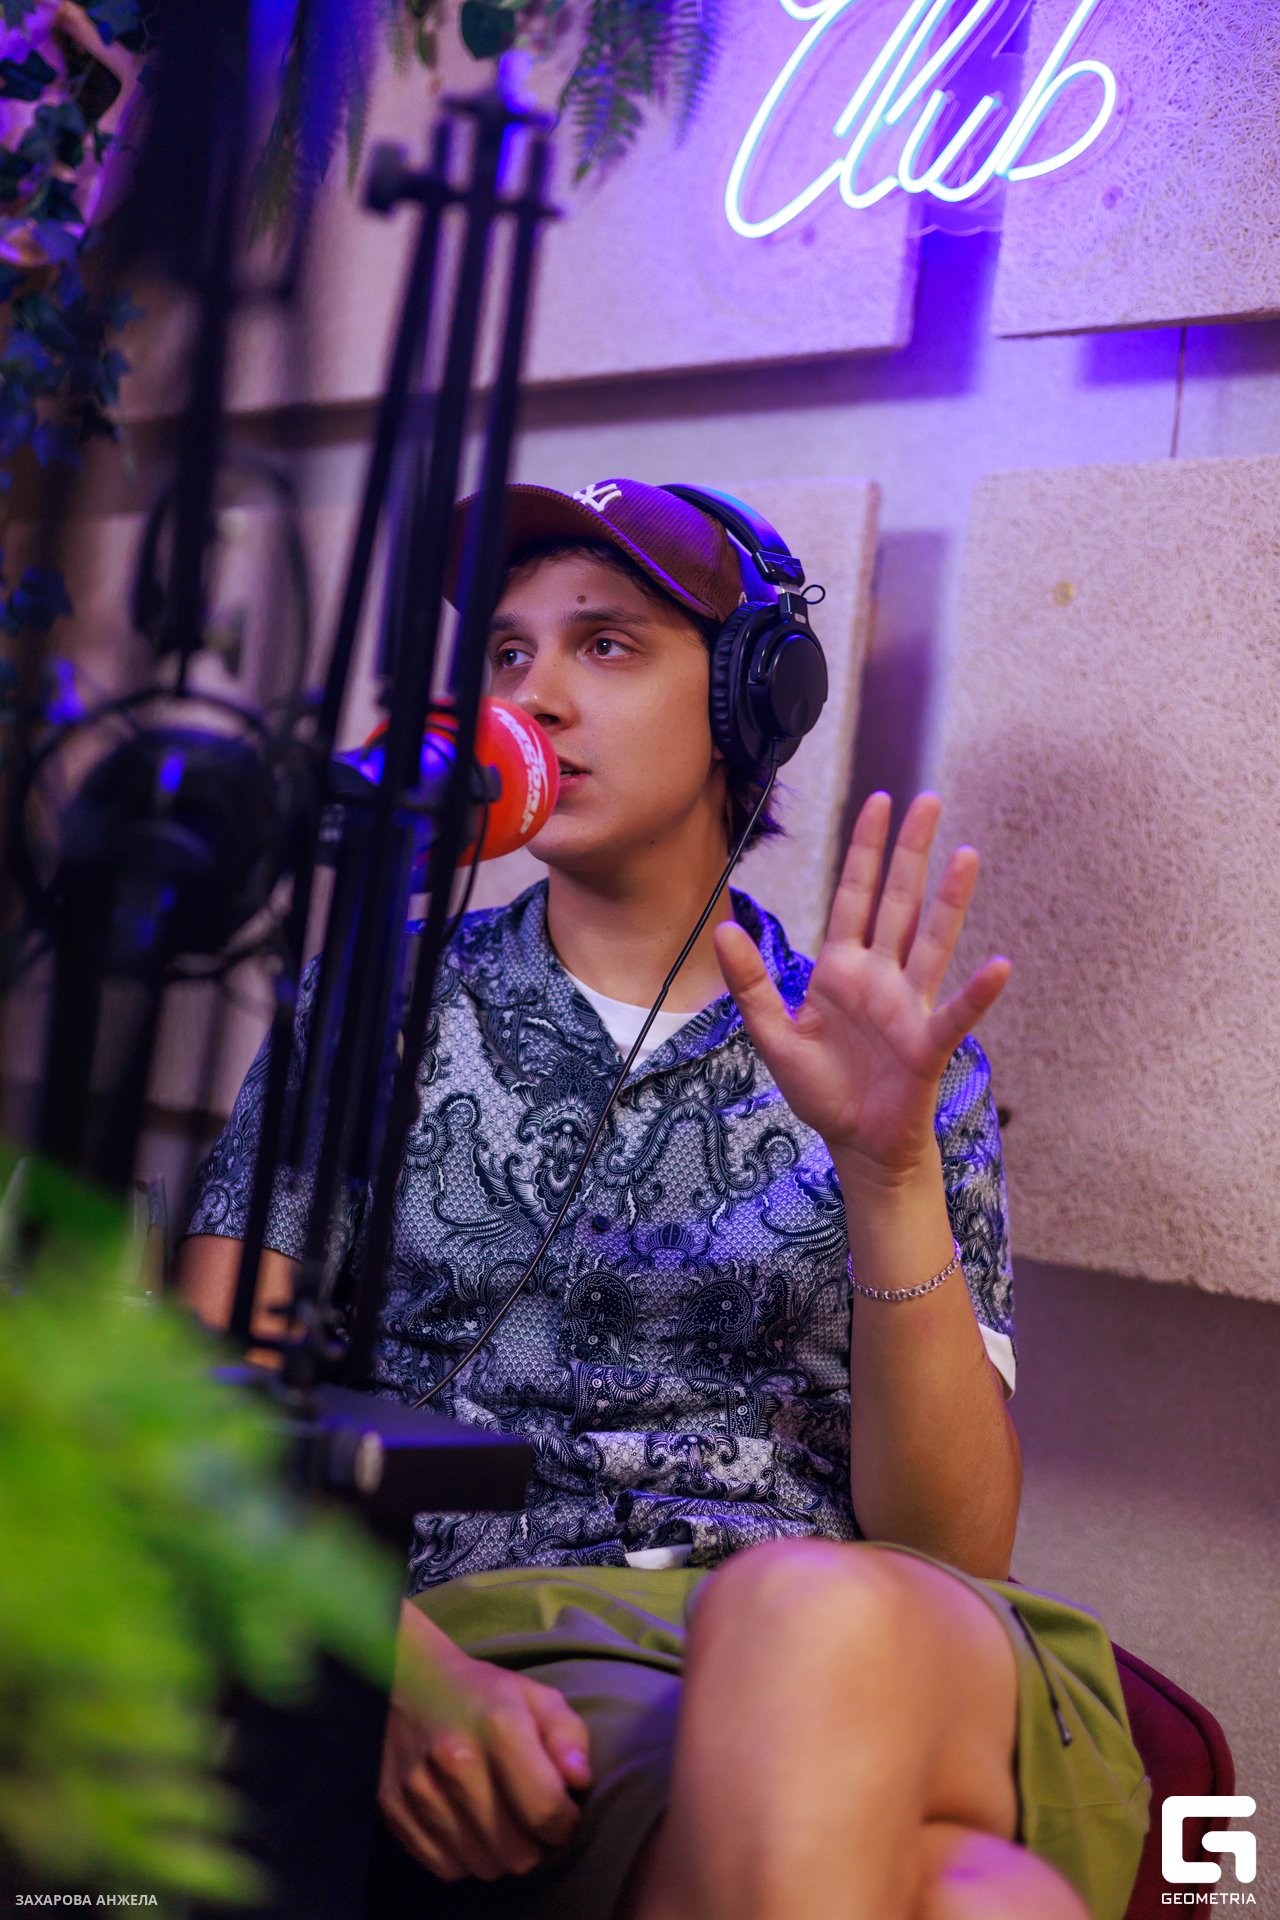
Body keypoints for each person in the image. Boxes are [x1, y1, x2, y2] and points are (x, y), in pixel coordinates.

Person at [175, 479, 1149, 1920]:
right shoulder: (367, 1009)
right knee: (982, 1896)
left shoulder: (890, 1055)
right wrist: (386, 1669)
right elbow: (193, 1410)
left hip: (875, 1633)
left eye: (607, 643)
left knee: (801, 1608)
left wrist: (888, 1171)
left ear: (752, 703)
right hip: (540, 1639)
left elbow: (954, 1552)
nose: (534, 696)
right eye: (507, 653)